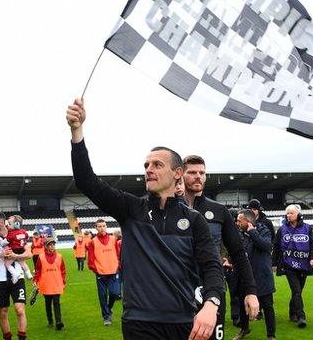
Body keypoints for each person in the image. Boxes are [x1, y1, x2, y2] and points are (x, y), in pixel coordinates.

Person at [67, 98, 224, 340]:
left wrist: (211, 304)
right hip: (139, 323)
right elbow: (87, 181)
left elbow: (212, 267)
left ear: (177, 173)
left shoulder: (194, 221)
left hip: (183, 321)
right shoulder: (131, 209)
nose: (148, 169)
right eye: (146, 165)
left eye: (157, 164)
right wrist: (77, 132)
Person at [181, 155, 260, 340]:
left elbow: (238, 253)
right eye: (192, 172)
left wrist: (250, 291)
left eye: (202, 172)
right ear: (180, 174)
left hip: (213, 289)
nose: (198, 176)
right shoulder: (169, 209)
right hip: (178, 291)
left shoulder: (218, 211)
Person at [0, 212, 32, 340]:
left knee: (20, 310)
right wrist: (0, 255)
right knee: (3, 312)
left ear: (1, 222)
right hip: (0, 280)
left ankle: (22, 338)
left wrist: (16, 256)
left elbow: (28, 254)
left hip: (18, 278)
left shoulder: (17, 233)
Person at [272, 204, 313, 329]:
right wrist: (274, 263)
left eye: (291, 213)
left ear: (298, 214)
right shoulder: (282, 229)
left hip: (304, 265)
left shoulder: (307, 228)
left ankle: (292, 312)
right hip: (289, 265)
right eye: (287, 213)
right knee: (296, 291)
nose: (288, 215)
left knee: (298, 291)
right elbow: (276, 247)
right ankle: (301, 317)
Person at [232, 210, 276, 340]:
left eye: (240, 221)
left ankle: (271, 335)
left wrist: (252, 232)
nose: (237, 223)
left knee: (267, 307)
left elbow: (266, 246)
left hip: (262, 276)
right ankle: (244, 329)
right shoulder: (239, 234)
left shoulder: (263, 230)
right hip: (245, 277)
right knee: (242, 305)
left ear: (248, 222)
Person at [87, 219, 121, 326]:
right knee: (102, 296)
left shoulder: (113, 239)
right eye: (99, 226)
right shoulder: (93, 242)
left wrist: (118, 266)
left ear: (106, 227)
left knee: (114, 293)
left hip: (113, 272)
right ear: (96, 228)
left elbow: (118, 255)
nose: (102, 228)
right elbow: (91, 260)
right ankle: (106, 317)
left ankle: (108, 308)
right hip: (101, 274)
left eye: (103, 226)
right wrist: (96, 270)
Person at [33, 238, 66, 330]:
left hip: (56, 283)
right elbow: (38, 270)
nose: (52, 246)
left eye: (53, 244)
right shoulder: (41, 257)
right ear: (46, 246)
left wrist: (63, 281)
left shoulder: (59, 256)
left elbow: (63, 270)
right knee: (48, 303)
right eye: (50, 245)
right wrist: (35, 280)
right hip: (45, 284)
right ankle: (50, 320)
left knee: (56, 302)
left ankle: (58, 322)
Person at [2, 215, 33, 284]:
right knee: (23, 263)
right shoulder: (23, 231)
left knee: (7, 264)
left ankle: (15, 274)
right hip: (22, 249)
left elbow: (5, 242)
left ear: (16, 225)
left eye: (9, 224)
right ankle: (28, 274)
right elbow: (26, 237)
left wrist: (1, 242)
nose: (8, 225)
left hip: (14, 250)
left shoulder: (11, 233)